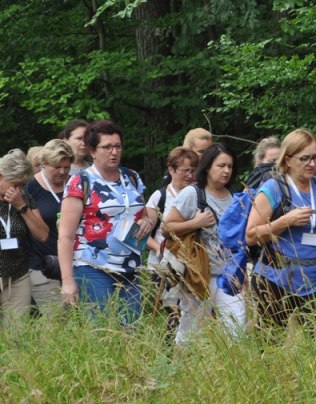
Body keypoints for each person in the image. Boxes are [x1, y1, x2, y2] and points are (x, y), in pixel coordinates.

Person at [58, 121, 157, 322]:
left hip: (130, 265)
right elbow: (66, 236)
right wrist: (67, 281)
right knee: (102, 328)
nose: (114, 152)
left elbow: (143, 213)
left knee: (132, 328)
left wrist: (147, 221)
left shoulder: (132, 177)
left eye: (117, 146)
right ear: (93, 151)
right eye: (107, 147)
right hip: (93, 265)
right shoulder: (81, 181)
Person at [244, 129, 316, 327]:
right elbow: (250, 236)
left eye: (315, 157)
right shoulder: (273, 188)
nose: (312, 164)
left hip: (314, 279)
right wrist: (286, 221)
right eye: (304, 158)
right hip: (275, 278)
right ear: (288, 160)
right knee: (272, 341)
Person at [163, 144, 246, 341]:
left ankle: (228, 360)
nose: (226, 171)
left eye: (230, 166)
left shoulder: (235, 196)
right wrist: (195, 223)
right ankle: (182, 359)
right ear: (208, 167)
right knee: (191, 330)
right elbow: (167, 228)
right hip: (199, 274)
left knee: (237, 328)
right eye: (221, 166)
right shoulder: (193, 193)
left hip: (229, 275)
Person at [145, 147, 199, 334]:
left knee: (191, 314)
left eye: (193, 170)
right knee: (174, 314)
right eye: (185, 170)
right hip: (163, 266)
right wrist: (159, 249)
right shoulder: (160, 197)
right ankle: (170, 348)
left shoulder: (198, 195)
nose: (190, 175)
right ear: (171, 170)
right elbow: (144, 234)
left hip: (192, 266)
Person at [0, 150, 50, 323]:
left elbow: (43, 235)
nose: (19, 190)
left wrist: (21, 206)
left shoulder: (23, 198)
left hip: (17, 276)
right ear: (1, 176)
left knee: (17, 332)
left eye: (22, 185)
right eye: (15, 184)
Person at [24, 140, 75, 309]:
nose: (62, 172)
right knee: (55, 319)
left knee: (81, 318)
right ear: (44, 163)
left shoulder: (75, 184)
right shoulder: (30, 188)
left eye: (66, 167)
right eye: (57, 167)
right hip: (44, 266)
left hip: (77, 263)